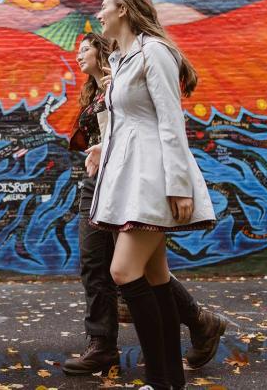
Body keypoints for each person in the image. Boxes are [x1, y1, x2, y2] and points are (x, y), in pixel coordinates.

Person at [63, 33, 226, 377]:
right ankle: (104, 345)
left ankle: (192, 330)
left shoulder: (125, 77)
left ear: (101, 51)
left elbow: (159, 123)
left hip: (127, 179)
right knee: (96, 263)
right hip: (98, 180)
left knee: (133, 271)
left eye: (85, 48)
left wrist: (177, 184)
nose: (78, 54)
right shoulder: (96, 90)